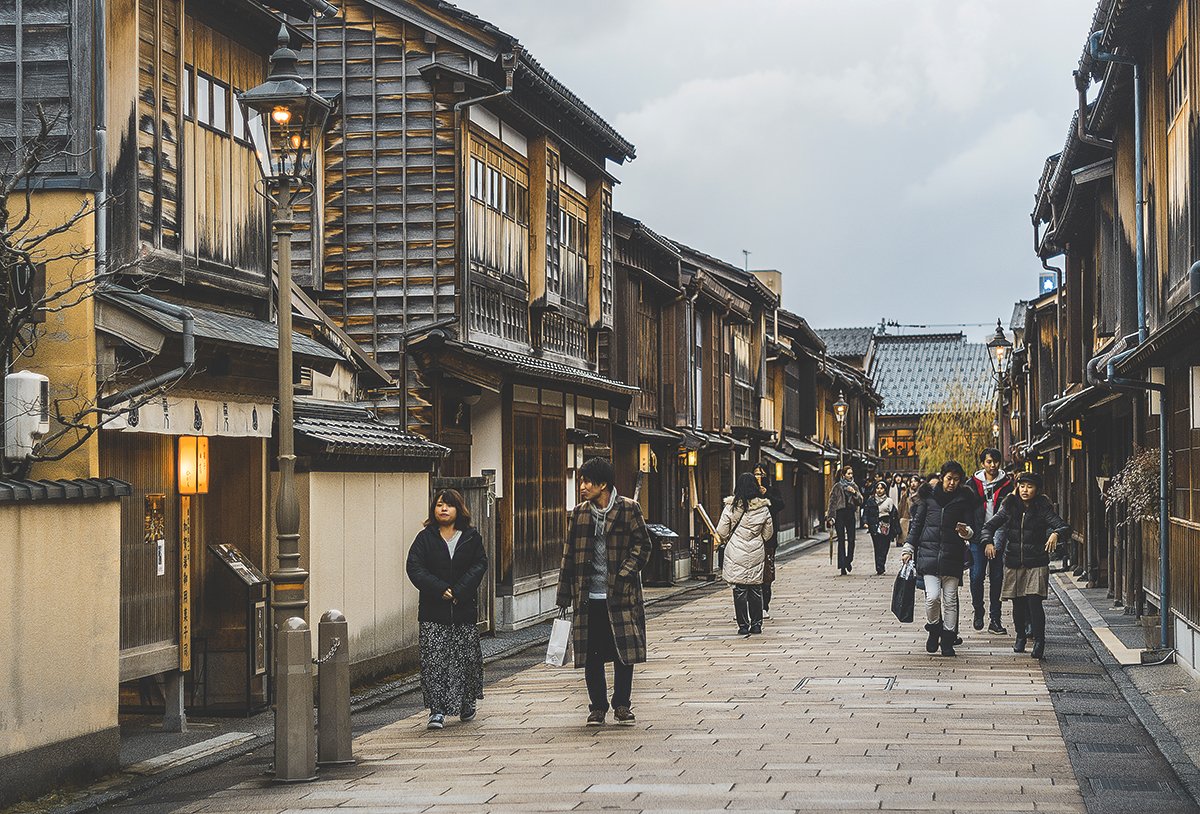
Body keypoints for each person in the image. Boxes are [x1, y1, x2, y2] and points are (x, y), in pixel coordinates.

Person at [556, 458, 652, 727]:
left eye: (587, 481)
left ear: (603, 484)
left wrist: (625, 574)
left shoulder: (629, 509)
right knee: (591, 653)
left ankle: (622, 704)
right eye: (582, 480)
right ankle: (597, 707)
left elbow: (643, 546)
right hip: (587, 596)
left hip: (620, 594)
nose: (583, 486)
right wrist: (564, 594)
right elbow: (569, 554)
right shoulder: (579, 513)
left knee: (624, 651)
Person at [405, 489, 488, 730]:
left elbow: (479, 564)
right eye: (439, 505)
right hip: (433, 611)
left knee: (465, 659)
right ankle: (437, 710)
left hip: (462, 609)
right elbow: (415, 567)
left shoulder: (471, 537)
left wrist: (459, 591)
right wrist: (440, 588)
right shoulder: (425, 538)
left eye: (449, 505)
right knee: (434, 660)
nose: (443, 509)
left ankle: (466, 702)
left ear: (458, 509)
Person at [981, 471, 1070, 659]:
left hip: (1036, 561)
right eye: (1022, 486)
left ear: (1036, 489)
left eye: (1029, 486)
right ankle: (1020, 636)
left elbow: (1063, 526)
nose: (1025, 490)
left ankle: (1039, 640)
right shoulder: (1009, 506)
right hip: (1014, 561)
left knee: (1034, 601)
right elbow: (989, 526)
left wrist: (1056, 533)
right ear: (1017, 487)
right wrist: (988, 542)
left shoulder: (1042, 507)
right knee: (1018, 602)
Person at [901, 462, 980, 657]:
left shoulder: (963, 500)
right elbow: (917, 525)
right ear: (942, 477)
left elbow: (971, 529)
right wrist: (908, 548)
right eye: (949, 478)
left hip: (953, 557)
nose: (952, 483)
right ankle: (934, 628)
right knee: (932, 597)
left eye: (956, 479)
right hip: (928, 555)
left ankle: (947, 639)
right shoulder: (928, 499)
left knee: (950, 599)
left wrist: (966, 532)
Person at [717, 472, 775, 636]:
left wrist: (730, 537)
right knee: (756, 589)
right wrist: (756, 538)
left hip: (736, 550)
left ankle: (743, 625)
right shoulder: (763, 508)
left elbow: (721, 531)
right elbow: (768, 534)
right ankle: (756, 625)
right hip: (756, 550)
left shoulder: (731, 507)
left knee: (740, 589)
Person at [967, 448, 1015, 635]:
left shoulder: (1007, 484)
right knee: (977, 575)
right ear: (982, 463)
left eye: (995, 462)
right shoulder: (972, 484)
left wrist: (995, 541)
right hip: (977, 536)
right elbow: (968, 510)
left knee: (996, 578)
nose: (992, 465)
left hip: (999, 536)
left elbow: (1009, 514)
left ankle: (995, 619)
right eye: (988, 462)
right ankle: (978, 610)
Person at [752, 462, 784, 619]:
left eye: (761, 474)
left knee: (767, 573)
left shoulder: (772, 491)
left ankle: (764, 605)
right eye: (756, 474)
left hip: (769, 539)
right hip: (751, 538)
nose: (759, 477)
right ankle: (751, 607)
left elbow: (780, 505)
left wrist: (767, 495)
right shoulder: (748, 492)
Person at [826, 465, 862, 575]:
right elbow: (832, 503)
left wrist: (854, 493)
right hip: (840, 514)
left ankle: (848, 560)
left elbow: (860, 501)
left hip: (850, 513)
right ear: (843, 475)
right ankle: (842, 565)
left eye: (851, 473)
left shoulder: (854, 486)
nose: (850, 476)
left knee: (851, 539)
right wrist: (830, 517)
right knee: (841, 539)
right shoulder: (837, 487)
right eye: (848, 474)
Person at [862, 480, 899, 574]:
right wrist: (865, 522)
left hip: (886, 525)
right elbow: (866, 512)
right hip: (874, 524)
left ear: (885, 490)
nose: (879, 490)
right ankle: (879, 566)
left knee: (885, 546)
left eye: (881, 488)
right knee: (877, 546)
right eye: (877, 488)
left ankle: (882, 563)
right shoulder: (871, 500)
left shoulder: (889, 501)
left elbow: (894, 514)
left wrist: (895, 528)